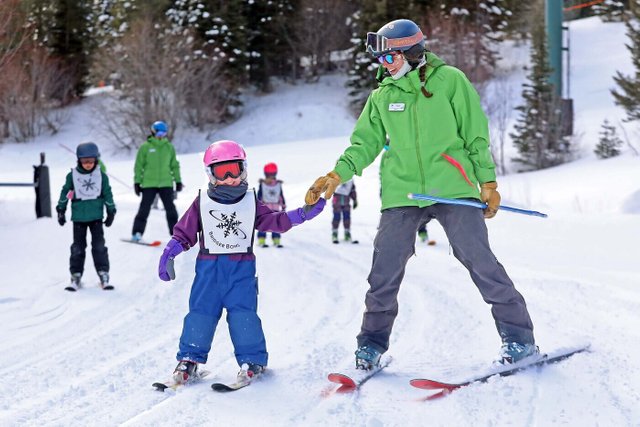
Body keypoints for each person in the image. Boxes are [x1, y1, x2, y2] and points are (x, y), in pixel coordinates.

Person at [305, 19, 536, 370]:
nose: (385, 66)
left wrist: (487, 183)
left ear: (412, 53)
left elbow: (475, 135)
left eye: (390, 58)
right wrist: (337, 174)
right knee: (384, 270)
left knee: (480, 260)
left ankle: (519, 339)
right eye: (381, 61)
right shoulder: (382, 96)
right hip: (403, 192)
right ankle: (370, 345)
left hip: (453, 188)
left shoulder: (450, 81)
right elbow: (364, 144)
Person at [157, 140, 326, 385]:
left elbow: (275, 221)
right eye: (221, 172)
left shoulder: (250, 202)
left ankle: (252, 361)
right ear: (210, 174)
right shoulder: (202, 202)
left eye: (233, 170)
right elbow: (185, 232)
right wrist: (169, 253)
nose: (228, 178)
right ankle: (189, 359)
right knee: (200, 314)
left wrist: (301, 214)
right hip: (208, 271)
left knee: (243, 315)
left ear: (243, 169)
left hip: (241, 271)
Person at [56, 142, 116, 291]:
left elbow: (107, 193)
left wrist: (111, 210)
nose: (88, 164)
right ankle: (76, 275)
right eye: (84, 161)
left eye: (91, 161)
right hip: (79, 218)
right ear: (78, 160)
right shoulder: (72, 176)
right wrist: (61, 209)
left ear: (96, 160)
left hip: (96, 217)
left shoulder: (101, 176)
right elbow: (65, 193)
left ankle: (103, 273)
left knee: (99, 246)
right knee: (78, 247)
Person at [131, 120, 182, 241]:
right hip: (149, 183)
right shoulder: (145, 147)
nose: (161, 136)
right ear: (153, 132)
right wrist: (137, 182)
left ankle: (176, 235)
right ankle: (137, 233)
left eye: (163, 133)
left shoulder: (169, 147)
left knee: (171, 209)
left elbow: (174, 165)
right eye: (159, 133)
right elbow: (139, 166)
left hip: (166, 183)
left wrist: (178, 181)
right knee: (144, 209)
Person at [256, 162, 286, 248]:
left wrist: (258, 207)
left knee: (264, 224)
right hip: (274, 208)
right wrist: (283, 206)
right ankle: (275, 241)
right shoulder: (277, 184)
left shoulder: (263, 184)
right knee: (275, 225)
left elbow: (259, 196)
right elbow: (281, 196)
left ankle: (265, 240)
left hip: (266, 208)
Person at [331, 179, 357, 244]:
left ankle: (347, 233)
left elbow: (352, 190)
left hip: (346, 202)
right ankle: (335, 233)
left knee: (347, 217)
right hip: (337, 201)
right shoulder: (336, 177)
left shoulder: (350, 179)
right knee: (336, 217)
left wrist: (354, 199)